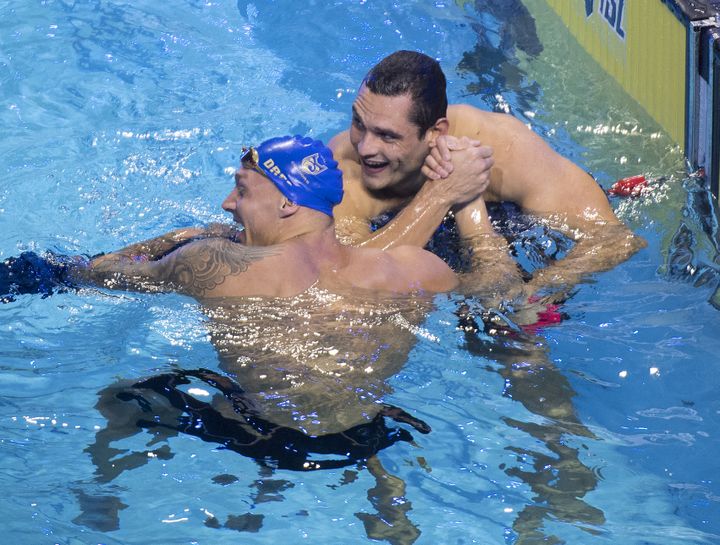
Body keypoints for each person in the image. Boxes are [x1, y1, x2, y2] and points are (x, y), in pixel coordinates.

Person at [329, 50, 646, 293]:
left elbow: (616, 241)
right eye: (358, 123)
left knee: (513, 339)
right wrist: (443, 192)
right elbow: (344, 280)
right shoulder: (342, 171)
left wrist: (537, 291)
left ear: (436, 132)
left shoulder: (503, 146)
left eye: (388, 136)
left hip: (513, 228)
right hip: (419, 243)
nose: (365, 147)